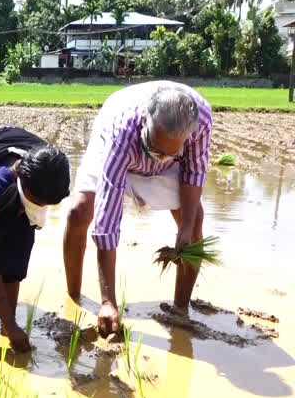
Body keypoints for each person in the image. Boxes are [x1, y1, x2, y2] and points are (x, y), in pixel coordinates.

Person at [63, 82, 212, 336]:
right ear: (145, 121)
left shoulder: (201, 122)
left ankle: (180, 311)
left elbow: (194, 173)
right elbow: (107, 221)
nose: (158, 157)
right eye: (156, 148)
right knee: (79, 212)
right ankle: (73, 299)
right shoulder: (123, 130)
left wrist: (185, 229)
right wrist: (108, 301)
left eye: (169, 152)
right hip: (122, 145)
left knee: (194, 218)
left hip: (164, 158)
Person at [0, 126, 70, 352]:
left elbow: (14, 259)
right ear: (23, 183)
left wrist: (11, 323)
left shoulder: (50, 174)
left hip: (26, 178)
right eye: (38, 201)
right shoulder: (0, 182)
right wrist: (9, 324)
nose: (42, 207)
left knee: (18, 246)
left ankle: (9, 314)